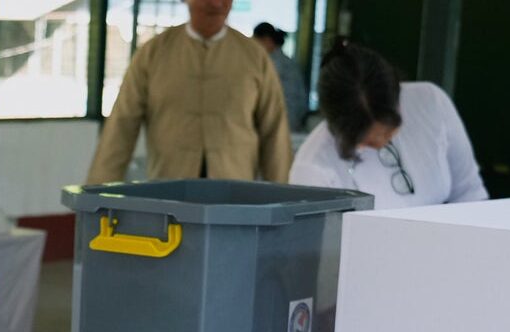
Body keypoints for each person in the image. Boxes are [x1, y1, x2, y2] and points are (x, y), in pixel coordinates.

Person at [86, 0, 292, 184]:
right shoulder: (154, 53)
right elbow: (122, 125)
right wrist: (98, 191)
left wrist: (284, 197)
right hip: (169, 186)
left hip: (234, 190)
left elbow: (274, 129)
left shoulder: (255, 56)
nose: (217, 4)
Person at [290, 40, 488, 208]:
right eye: (367, 141)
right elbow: (321, 248)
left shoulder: (431, 103)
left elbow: (469, 192)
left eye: (389, 130)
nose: (381, 142)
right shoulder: (313, 167)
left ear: (398, 96)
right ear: (336, 126)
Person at [252, 22, 308, 132]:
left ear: (267, 40)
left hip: (284, 121)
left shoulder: (275, 63)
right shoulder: (283, 61)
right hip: (290, 120)